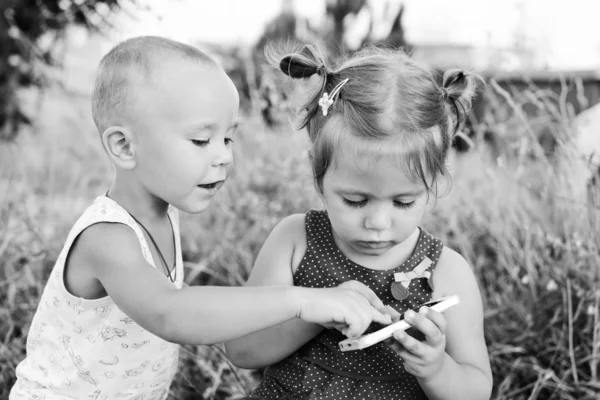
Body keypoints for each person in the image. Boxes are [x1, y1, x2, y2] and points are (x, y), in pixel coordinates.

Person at [9, 36, 393, 400]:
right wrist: (301, 301)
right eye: (200, 140)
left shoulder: (162, 213)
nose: (224, 156)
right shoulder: (107, 238)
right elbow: (171, 313)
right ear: (125, 147)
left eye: (227, 138)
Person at [225, 44, 493, 400]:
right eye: (355, 200)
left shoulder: (446, 272)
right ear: (318, 176)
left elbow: (476, 389)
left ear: (434, 185)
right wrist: (313, 314)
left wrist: (436, 368)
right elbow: (241, 350)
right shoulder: (295, 241)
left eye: (403, 201)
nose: (378, 222)